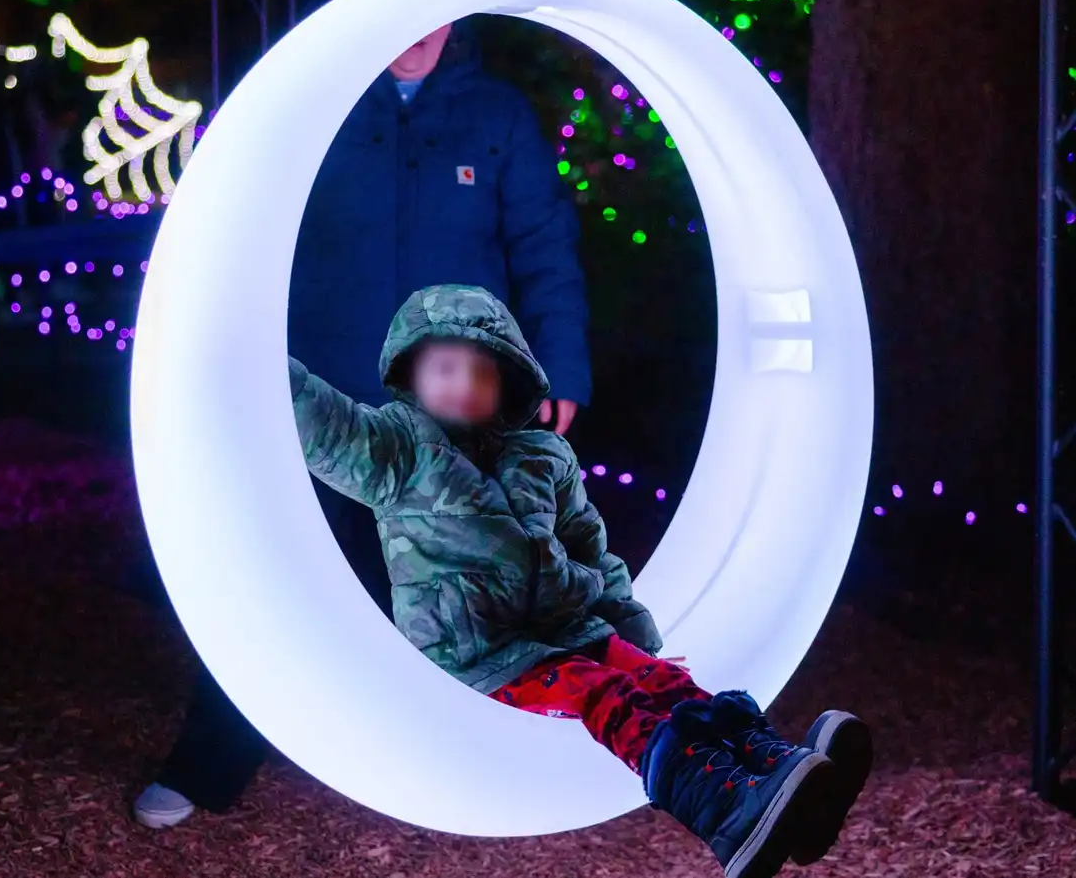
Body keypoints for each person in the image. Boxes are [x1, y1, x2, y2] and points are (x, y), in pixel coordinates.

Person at [134, 0, 592, 828]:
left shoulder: (494, 114)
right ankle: (210, 763)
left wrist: (562, 368)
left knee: (462, 590)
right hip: (323, 399)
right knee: (269, 577)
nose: (414, 21)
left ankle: (454, 771)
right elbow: (234, 228)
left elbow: (542, 247)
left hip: (455, 410)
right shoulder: (307, 98)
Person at [295, 284, 873, 878]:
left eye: (482, 372)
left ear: (508, 383)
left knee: (664, 681)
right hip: (482, 656)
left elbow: (590, 550)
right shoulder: (395, 452)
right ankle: (727, 809)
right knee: (604, 695)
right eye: (445, 368)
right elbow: (321, 422)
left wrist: (634, 635)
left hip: (571, 627)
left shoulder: (543, 456)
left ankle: (781, 776)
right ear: (411, 374)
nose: (465, 385)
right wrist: (258, 357)